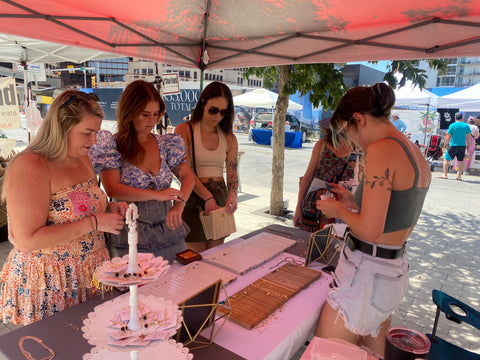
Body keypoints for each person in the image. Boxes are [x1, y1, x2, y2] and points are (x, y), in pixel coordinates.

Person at [314, 83, 431, 357]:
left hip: (367, 272)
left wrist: (338, 212)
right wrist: (351, 202)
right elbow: (394, 214)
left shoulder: (381, 149)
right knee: (371, 354)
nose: (351, 141)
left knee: (324, 353)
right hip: (391, 270)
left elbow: (371, 228)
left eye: (347, 131)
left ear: (359, 120)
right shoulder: (411, 150)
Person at [0, 90, 128, 325]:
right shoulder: (31, 165)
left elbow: (80, 206)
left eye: (97, 132)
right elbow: (27, 239)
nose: (94, 141)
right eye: (87, 133)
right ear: (61, 127)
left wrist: (109, 208)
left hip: (90, 273)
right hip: (51, 281)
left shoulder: (81, 157)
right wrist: (97, 222)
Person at [89, 80, 195, 263]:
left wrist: (179, 205)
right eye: (145, 114)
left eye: (156, 114)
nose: (152, 120)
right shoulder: (113, 145)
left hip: (167, 228)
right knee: (137, 286)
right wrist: (157, 195)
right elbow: (112, 189)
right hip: (129, 230)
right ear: (129, 112)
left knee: (180, 278)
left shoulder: (166, 143)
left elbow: (188, 177)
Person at [175, 81, 238, 253]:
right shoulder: (184, 130)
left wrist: (233, 194)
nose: (218, 116)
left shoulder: (229, 137)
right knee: (193, 259)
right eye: (213, 110)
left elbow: (233, 172)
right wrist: (207, 197)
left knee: (215, 257)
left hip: (220, 194)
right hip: (194, 194)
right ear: (203, 102)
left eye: (223, 112)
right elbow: (184, 171)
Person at [293, 117, 354, 232]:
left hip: (339, 210)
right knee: (309, 245)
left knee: (332, 244)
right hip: (313, 207)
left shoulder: (358, 150)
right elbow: (307, 177)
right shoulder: (321, 145)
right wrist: (298, 208)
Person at [438, 112, 471, 181]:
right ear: (462, 118)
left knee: (446, 159)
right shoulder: (466, 126)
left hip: (453, 145)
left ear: (455, 118)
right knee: (460, 160)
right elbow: (468, 136)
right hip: (462, 145)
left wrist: (446, 144)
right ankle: (459, 176)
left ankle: (445, 174)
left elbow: (448, 135)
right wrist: (468, 145)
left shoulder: (452, 125)